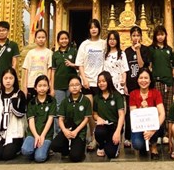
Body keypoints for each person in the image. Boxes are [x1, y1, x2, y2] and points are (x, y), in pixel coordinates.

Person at [75, 18, 106, 151]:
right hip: (88, 82)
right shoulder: (84, 44)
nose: (93, 29)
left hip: (100, 83)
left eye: (96, 27)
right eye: (91, 27)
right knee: (90, 111)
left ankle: (101, 137)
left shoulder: (104, 44)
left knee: (100, 111)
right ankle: (94, 137)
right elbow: (80, 64)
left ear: (99, 29)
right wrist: (84, 79)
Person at [50, 75, 92, 162]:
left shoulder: (85, 100)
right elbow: (60, 119)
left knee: (75, 157)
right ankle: (65, 151)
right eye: (72, 85)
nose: (74, 87)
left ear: (81, 86)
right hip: (67, 130)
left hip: (79, 132)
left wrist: (76, 131)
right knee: (54, 145)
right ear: (69, 87)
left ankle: (80, 149)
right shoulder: (65, 101)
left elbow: (86, 119)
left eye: (77, 84)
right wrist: (65, 131)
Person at [0, 68, 27, 161]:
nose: (8, 81)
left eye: (11, 78)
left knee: (7, 155)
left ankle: (18, 147)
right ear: (2, 79)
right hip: (1, 133)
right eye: (5, 78)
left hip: (15, 134)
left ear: (15, 79)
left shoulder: (19, 95)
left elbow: (21, 114)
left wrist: (13, 103)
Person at [129, 68, 164, 159]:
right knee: (137, 144)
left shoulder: (156, 93)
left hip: (153, 126)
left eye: (146, 78)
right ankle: (144, 146)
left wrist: (152, 131)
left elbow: (162, 114)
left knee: (159, 124)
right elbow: (133, 115)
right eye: (141, 78)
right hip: (139, 127)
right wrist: (141, 108)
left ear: (150, 80)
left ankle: (154, 147)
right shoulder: (133, 94)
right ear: (137, 80)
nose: (143, 80)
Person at [124, 25, 150, 147]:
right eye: (133, 36)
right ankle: (128, 136)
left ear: (141, 37)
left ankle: (144, 134)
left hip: (143, 85)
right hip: (130, 85)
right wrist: (124, 85)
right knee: (130, 111)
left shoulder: (145, 49)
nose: (136, 38)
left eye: (138, 35)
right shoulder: (126, 52)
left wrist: (138, 50)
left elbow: (141, 65)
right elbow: (124, 69)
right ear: (130, 37)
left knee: (143, 109)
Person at [21, 75, 56, 163]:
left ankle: (45, 149)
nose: (42, 88)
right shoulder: (32, 102)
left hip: (46, 135)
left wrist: (42, 135)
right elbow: (31, 121)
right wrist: (36, 136)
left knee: (39, 158)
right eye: (39, 86)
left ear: (48, 87)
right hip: (33, 134)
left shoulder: (52, 101)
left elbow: (50, 119)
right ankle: (35, 148)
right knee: (25, 151)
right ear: (35, 87)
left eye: (44, 85)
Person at [149, 25, 174, 145]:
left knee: (168, 108)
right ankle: (157, 133)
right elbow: (149, 65)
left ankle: (167, 134)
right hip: (157, 81)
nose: (160, 37)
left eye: (162, 34)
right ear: (155, 36)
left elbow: (172, 65)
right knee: (158, 109)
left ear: (165, 35)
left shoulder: (169, 49)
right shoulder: (151, 49)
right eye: (158, 35)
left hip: (168, 82)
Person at [50, 30, 78, 135]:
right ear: (58, 41)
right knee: (59, 108)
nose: (64, 41)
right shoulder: (55, 54)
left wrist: (72, 64)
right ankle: (59, 133)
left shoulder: (73, 51)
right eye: (61, 39)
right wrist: (52, 87)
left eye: (66, 38)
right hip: (58, 85)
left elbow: (79, 66)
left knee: (72, 107)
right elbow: (53, 71)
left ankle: (72, 130)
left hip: (72, 85)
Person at [93, 71, 126, 159]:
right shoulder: (96, 97)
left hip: (114, 127)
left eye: (103, 81)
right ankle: (101, 146)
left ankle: (113, 143)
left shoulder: (117, 96)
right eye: (99, 82)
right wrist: (98, 118)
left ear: (108, 81)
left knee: (111, 154)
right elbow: (94, 114)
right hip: (103, 126)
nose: (101, 83)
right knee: (99, 132)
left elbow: (121, 115)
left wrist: (118, 132)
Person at [22, 28, 53, 100]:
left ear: (46, 39)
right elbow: (26, 70)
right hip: (31, 84)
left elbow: (50, 70)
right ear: (35, 39)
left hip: (43, 84)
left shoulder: (49, 53)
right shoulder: (30, 53)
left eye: (43, 37)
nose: (41, 39)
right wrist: (24, 86)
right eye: (39, 37)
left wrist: (48, 83)